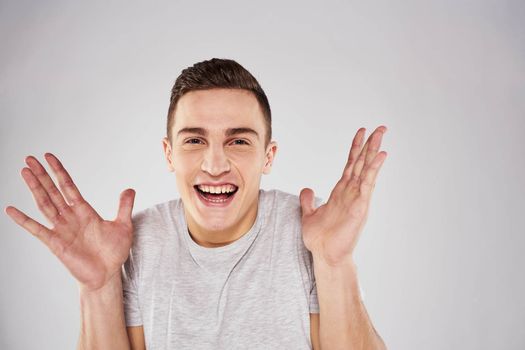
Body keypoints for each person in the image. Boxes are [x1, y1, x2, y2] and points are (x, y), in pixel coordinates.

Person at [5, 58, 388, 350]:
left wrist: (335, 264)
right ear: (169, 154)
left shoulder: (307, 231)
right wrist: (99, 287)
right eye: (194, 140)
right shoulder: (142, 242)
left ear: (268, 157)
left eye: (238, 141)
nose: (215, 164)